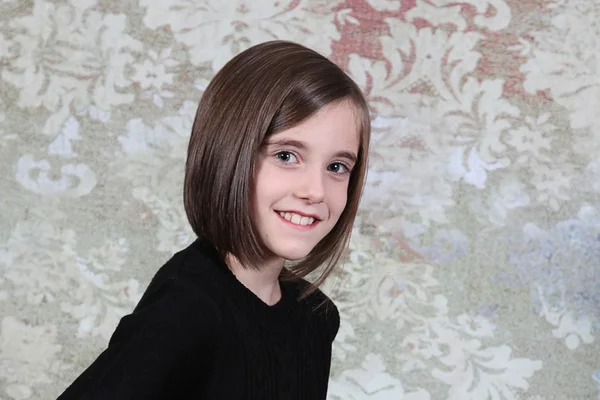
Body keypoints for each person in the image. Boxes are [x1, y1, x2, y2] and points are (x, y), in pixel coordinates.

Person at [57, 40, 371, 399]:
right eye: (286, 155)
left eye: (336, 167)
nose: (315, 190)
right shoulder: (188, 310)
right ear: (228, 154)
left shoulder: (315, 318)